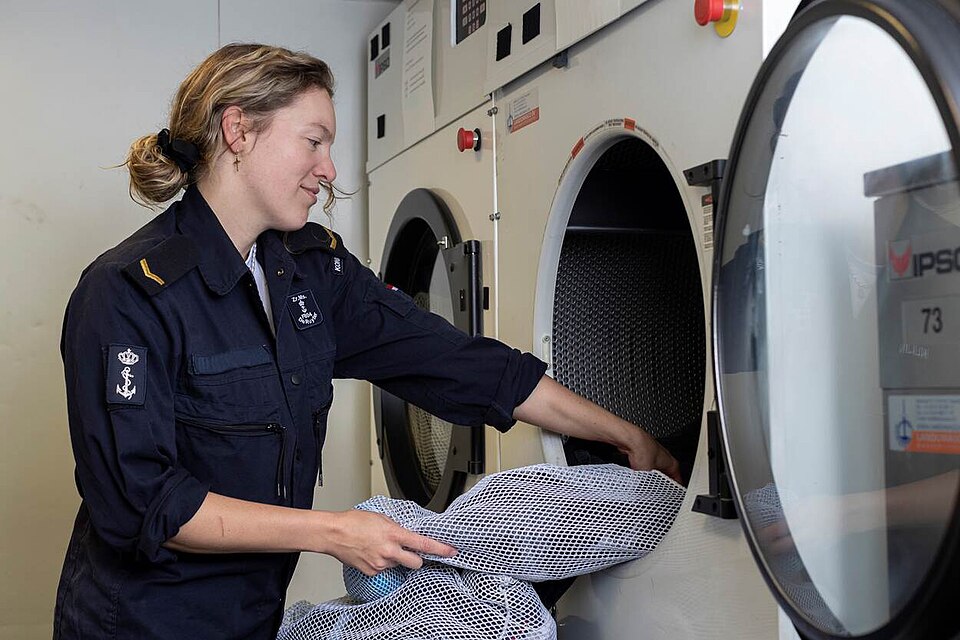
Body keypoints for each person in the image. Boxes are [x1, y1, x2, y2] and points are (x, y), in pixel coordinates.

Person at [53, 43, 680, 639]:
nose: (328, 170)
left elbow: (459, 365)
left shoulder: (309, 273)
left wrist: (625, 435)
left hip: (255, 617)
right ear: (238, 131)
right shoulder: (128, 294)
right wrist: (334, 532)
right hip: (142, 625)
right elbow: (147, 505)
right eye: (314, 141)